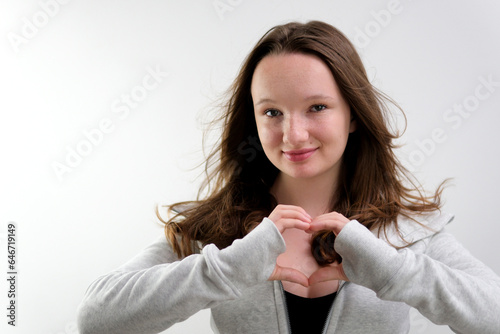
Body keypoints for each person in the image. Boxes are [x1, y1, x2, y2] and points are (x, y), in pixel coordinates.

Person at [77, 20, 500, 334]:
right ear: (254, 120)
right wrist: (226, 269)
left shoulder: (406, 229)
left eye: (317, 107)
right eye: (272, 112)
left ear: (353, 115)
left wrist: (394, 272)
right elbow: (96, 318)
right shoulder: (214, 229)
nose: (293, 135)